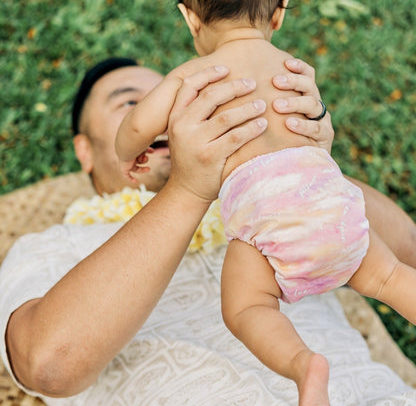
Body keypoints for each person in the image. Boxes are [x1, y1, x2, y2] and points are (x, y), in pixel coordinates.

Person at [0, 56, 416, 406]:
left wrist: (309, 164)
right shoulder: (49, 246)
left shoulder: (267, 203)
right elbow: (50, 364)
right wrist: (188, 188)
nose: (165, 118)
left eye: (176, 101)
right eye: (132, 104)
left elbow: (408, 251)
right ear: (85, 151)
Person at [114, 0, 416, 405]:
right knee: (390, 277)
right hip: (334, 207)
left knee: (247, 308)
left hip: (269, 223)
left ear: (190, 19)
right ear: (278, 14)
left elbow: (135, 129)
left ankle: (303, 364)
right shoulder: (294, 70)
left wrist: (130, 152)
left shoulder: (192, 76)